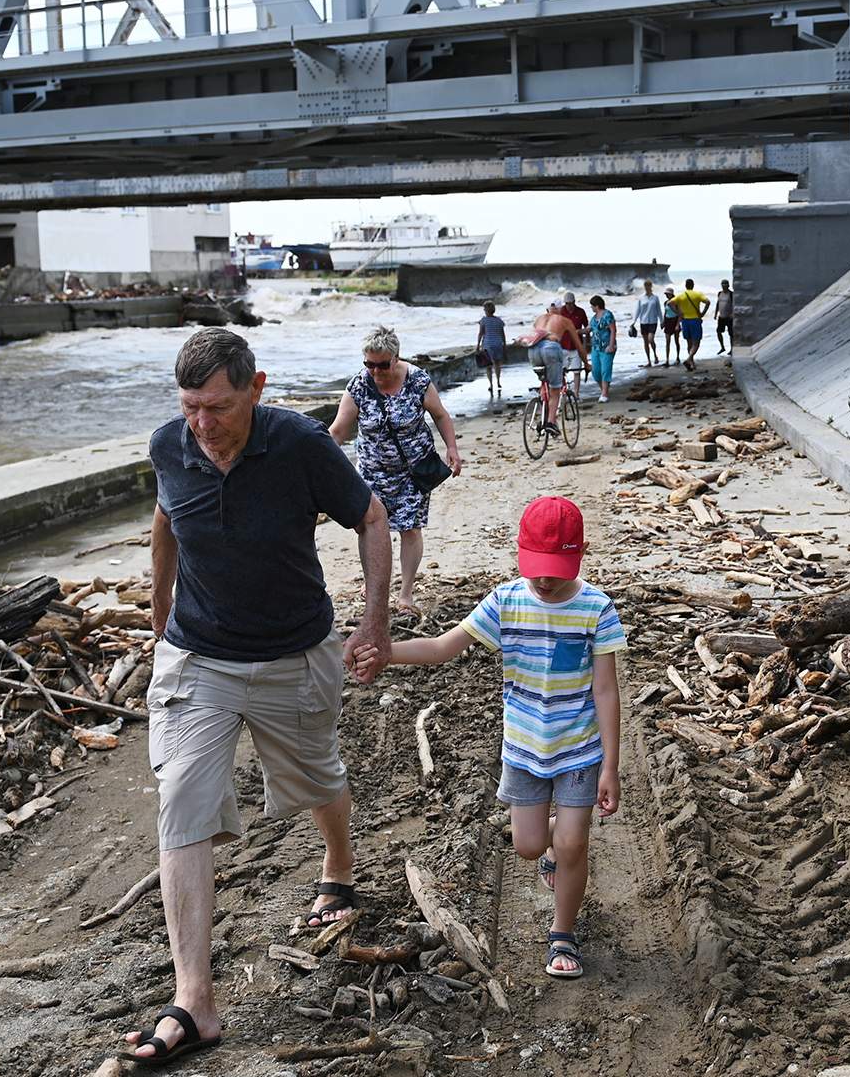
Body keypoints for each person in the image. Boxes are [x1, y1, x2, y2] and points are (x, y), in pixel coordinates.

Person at [126, 327, 393, 1066]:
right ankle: (194, 1002)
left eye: (217, 407)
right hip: (197, 658)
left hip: (292, 655)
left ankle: (337, 863)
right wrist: (160, 619)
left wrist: (375, 618)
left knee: (318, 780)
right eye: (189, 408)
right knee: (181, 800)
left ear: (257, 387)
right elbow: (165, 523)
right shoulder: (168, 445)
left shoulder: (301, 444)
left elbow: (371, 517)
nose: (202, 426)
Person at [356, 495, 623, 979]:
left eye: (556, 568)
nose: (544, 579)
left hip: (579, 749)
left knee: (573, 844)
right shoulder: (506, 601)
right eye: (537, 567)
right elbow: (442, 648)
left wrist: (610, 765)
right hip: (524, 749)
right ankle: (549, 858)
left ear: (579, 556)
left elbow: (606, 689)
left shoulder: (596, 609)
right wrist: (385, 653)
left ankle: (563, 934)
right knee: (528, 844)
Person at [330, 325, 464, 618]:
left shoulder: (417, 380)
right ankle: (375, 584)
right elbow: (338, 430)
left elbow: (440, 415)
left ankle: (405, 593)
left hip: (413, 471)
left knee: (409, 528)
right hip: (372, 471)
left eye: (382, 364)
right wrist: (314, 458)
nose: (375, 371)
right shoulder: (358, 386)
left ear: (396, 357)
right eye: (369, 364)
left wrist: (452, 448)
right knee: (369, 527)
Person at [516, 302, 583, 439]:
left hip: (533, 350)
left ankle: (541, 411)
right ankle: (551, 422)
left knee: (544, 381)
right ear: (560, 309)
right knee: (555, 388)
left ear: (547, 309)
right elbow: (578, 345)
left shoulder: (539, 319)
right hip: (551, 349)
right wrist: (587, 364)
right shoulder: (564, 320)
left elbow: (536, 335)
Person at [672, 278, 711, 370]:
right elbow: (708, 302)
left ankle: (692, 363)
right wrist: (703, 313)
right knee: (696, 343)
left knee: (689, 343)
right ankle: (689, 359)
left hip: (685, 321)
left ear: (685, 286)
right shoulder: (697, 294)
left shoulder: (681, 296)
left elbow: (670, 303)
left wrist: (678, 313)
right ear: (693, 285)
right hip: (695, 320)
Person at [586, 295, 617, 403]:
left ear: (597, 306)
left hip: (607, 347)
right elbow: (589, 329)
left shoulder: (607, 315)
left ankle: (604, 393)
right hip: (596, 347)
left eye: (592, 306)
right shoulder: (594, 318)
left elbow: (613, 330)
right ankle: (604, 390)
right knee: (596, 371)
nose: (591, 308)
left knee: (605, 370)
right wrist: (576, 331)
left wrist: (611, 345)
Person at [475, 301, 506, 397]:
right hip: (498, 344)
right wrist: (504, 344)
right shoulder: (499, 321)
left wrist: (478, 345)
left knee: (488, 366)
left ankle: (491, 385)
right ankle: (498, 382)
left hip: (488, 345)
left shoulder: (483, 321)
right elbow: (502, 334)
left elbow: (481, 333)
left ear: (486, 310)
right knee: (497, 364)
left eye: (484, 309)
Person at [633, 280, 662, 366]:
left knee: (650, 339)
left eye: (648, 286)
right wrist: (633, 321)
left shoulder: (655, 298)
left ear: (651, 287)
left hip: (653, 321)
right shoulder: (641, 298)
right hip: (643, 321)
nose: (647, 288)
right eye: (646, 286)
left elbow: (659, 310)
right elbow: (637, 310)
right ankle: (649, 361)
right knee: (645, 342)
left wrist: (662, 321)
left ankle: (655, 355)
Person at [660, 287, 681, 364]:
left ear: (671, 294)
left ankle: (678, 357)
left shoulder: (676, 302)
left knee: (676, 341)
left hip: (675, 321)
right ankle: (667, 360)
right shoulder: (666, 303)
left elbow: (680, 314)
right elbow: (665, 313)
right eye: (666, 294)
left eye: (667, 294)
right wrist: (663, 322)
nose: (666, 295)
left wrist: (678, 325)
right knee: (667, 341)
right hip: (668, 321)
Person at [714, 280, 735, 355]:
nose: (724, 285)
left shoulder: (731, 294)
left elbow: (734, 305)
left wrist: (732, 314)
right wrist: (715, 313)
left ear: (728, 285)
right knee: (718, 332)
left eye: (725, 284)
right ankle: (722, 347)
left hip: (729, 317)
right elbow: (718, 303)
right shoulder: (720, 293)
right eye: (723, 284)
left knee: (731, 334)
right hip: (721, 317)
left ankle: (732, 349)